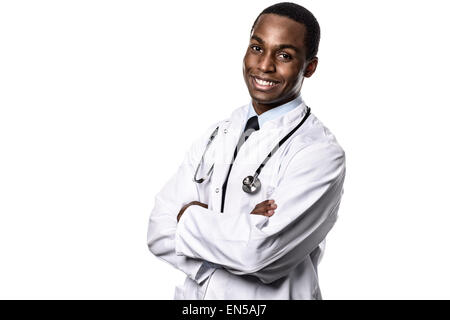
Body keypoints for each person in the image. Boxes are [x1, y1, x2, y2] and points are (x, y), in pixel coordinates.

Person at [147, 2, 346, 300]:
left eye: (284, 55)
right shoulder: (218, 133)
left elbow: (259, 252)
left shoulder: (319, 153)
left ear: (310, 66)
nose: (264, 65)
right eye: (257, 48)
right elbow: (158, 229)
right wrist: (235, 234)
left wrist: (189, 213)